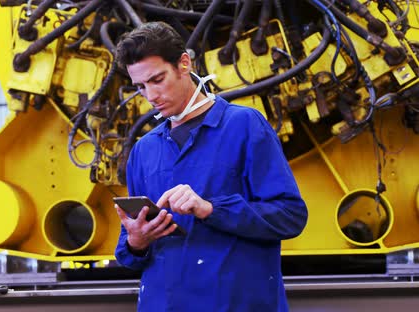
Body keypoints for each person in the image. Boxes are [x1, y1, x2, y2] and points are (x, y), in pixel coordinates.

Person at [113, 21, 308, 311]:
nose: (150, 96)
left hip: (235, 302)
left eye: (157, 80)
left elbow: (290, 216)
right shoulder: (144, 150)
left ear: (183, 63)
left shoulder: (244, 126)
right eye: (140, 87)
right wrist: (136, 240)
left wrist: (210, 209)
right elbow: (128, 254)